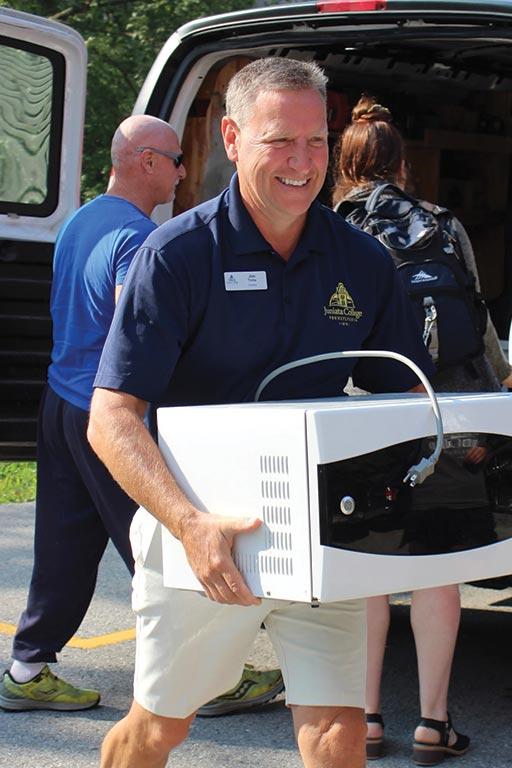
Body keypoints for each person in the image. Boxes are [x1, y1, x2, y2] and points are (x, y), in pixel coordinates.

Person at [87, 57, 435, 768]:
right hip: (203, 532)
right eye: (282, 141)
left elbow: (403, 394)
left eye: (317, 142)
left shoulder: (363, 261)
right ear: (233, 138)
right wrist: (188, 525)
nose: (304, 163)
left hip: (319, 526)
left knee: (338, 730)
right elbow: (111, 416)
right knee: (161, 728)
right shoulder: (177, 256)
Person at [332, 93, 512, 765]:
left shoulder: (328, 229)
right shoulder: (443, 226)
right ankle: (434, 724)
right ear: (405, 165)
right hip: (446, 410)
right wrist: (496, 395)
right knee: (441, 567)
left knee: (367, 562)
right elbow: (478, 320)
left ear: (341, 164)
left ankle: (367, 718)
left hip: (359, 416)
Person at [0, 114, 186, 712]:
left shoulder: (79, 220)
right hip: (107, 417)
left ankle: (27, 670)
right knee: (159, 543)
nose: (183, 172)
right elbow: (136, 334)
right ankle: (204, 677)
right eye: (177, 160)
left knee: (64, 543)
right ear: (148, 161)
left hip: (59, 403)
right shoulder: (136, 237)